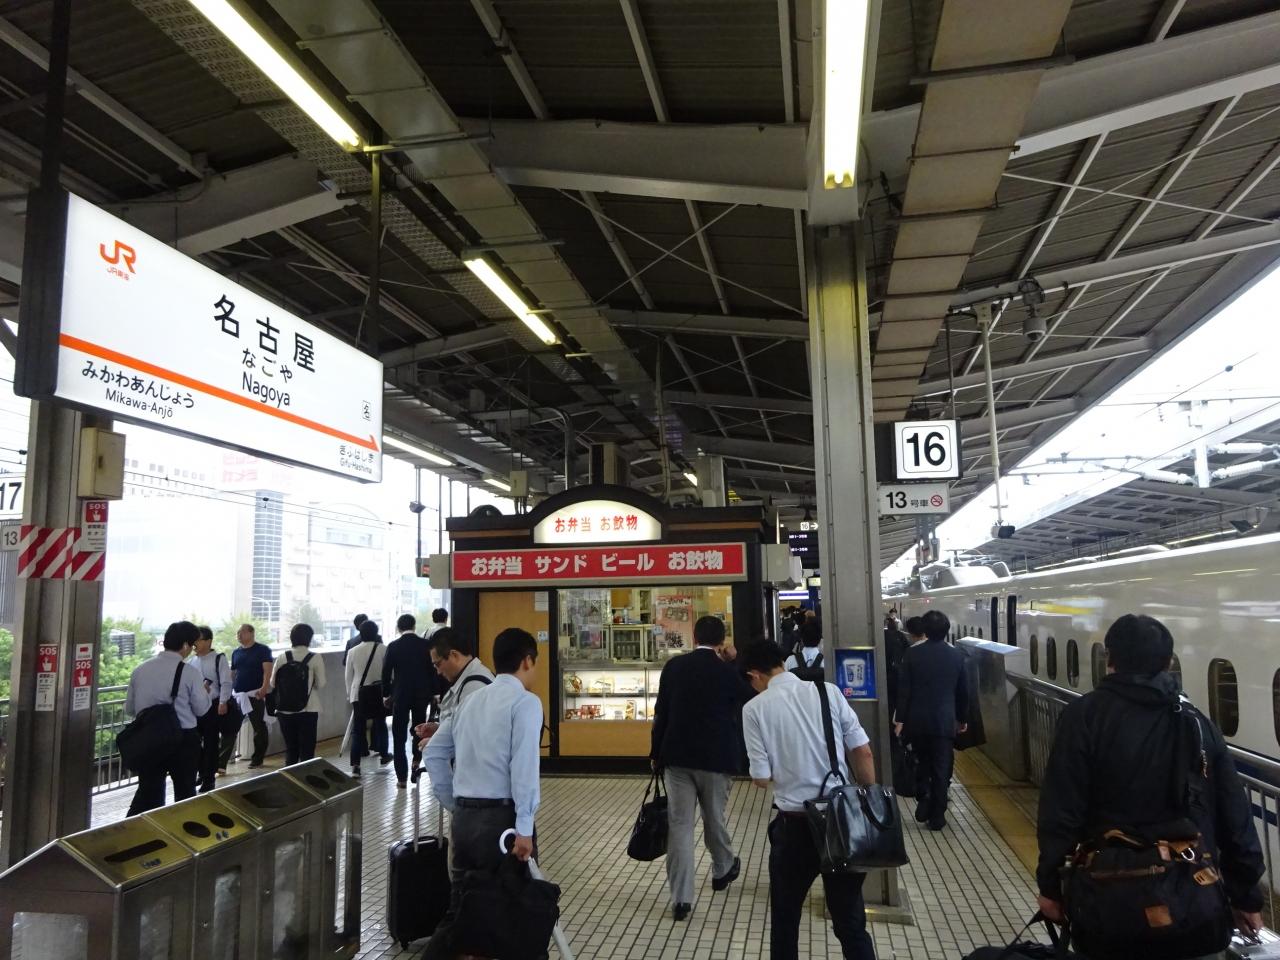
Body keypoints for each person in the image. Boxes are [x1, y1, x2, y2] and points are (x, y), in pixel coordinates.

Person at [1036, 614, 1264, 945]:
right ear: (1168, 662)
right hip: (1192, 902)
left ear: (1109, 659)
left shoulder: (1082, 717)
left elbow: (1061, 811)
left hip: (1106, 903)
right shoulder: (1195, 722)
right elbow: (1235, 818)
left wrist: (1050, 887)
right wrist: (1246, 897)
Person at [740, 640, 877, 960]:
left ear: (754, 675)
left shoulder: (754, 709)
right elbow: (863, 752)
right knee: (850, 922)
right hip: (841, 822)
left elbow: (761, 777)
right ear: (781, 662)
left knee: (785, 921)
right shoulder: (828, 692)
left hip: (795, 828)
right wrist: (867, 800)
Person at [421, 628, 543, 960]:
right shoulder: (525, 703)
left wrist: (454, 802)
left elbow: (434, 753)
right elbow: (524, 767)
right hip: (502, 822)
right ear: (527, 661)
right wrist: (525, 827)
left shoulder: (471, 701)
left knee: (461, 907)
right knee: (512, 907)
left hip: (465, 820)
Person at [650, 615, 748, 921]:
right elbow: (747, 697)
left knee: (680, 826)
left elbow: (661, 712)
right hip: (717, 758)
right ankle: (722, 867)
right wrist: (735, 662)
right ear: (722, 641)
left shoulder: (674, 667)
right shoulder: (726, 671)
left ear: (694, 637)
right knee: (713, 817)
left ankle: (681, 899)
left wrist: (655, 752)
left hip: (677, 757)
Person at [125, 621, 211, 815]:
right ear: (185, 645)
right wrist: (205, 693)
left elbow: (130, 709)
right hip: (183, 739)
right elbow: (201, 709)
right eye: (193, 645)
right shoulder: (190, 672)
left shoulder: (140, 670)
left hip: (149, 739)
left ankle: (141, 829)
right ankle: (183, 829)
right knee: (185, 793)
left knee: (149, 792)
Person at [893, 609, 968, 830]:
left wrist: (900, 720)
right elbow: (962, 692)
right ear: (946, 631)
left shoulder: (912, 654)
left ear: (924, 629)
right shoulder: (957, 656)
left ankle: (924, 795)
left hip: (916, 722)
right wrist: (962, 718)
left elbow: (904, 690)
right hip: (944, 721)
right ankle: (938, 815)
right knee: (942, 768)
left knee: (921, 762)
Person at [414, 627, 493, 745]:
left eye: (438, 664)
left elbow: (471, 740)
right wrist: (439, 729)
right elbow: (460, 726)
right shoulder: (466, 680)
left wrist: (434, 745)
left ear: (454, 655)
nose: (438, 672)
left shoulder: (475, 686)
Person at [382, 613, 435, 788]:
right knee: (419, 730)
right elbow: (432, 670)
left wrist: (386, 694)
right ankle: (416, 763)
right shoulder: (425, 645)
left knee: (398, 736)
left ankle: (401, 778)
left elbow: (386, 672)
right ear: (414, 626)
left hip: (400, 695)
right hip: (421, 695)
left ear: (398, 628)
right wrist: (434, 693)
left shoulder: (393, 646)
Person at [270, 622, 326, 765]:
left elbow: (272, 683)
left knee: (291, 749)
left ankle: (290, 777)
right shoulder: (315, 657)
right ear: (309, 638)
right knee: (307, 750)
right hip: (308, 709)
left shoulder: (283, 657)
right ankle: (306, 777)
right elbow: (321, 684)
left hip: (284, 710)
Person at [345, 619, 390, 775]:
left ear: (361, 633)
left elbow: (348, 676)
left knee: (358, 729)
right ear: (376, 632)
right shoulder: (384, 649)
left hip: (359, 693)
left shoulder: (353, 651)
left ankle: (355, 765)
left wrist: (350, 695)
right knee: (381, 723)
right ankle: (384, 755)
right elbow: (389, 673)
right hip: (378, 692)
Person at [191, 625, 231, 792]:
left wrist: (223, 701)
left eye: (198, 640)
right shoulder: (192, 661)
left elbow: (226, 682)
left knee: (211, 743)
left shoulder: (218, 658)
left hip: (212, 706)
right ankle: (202, 772)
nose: (195, 643)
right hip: (195, 707)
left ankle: (209, 780)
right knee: (194, 743)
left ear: (208, 641)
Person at [230, 623, 273, 769]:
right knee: (231, 726)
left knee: (258, 727)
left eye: (242, 632)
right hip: (238, 695)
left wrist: (264, 688)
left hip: (255, 694)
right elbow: (233, 673)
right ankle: (224, 760)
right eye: (238, 633)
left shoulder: (263, 650)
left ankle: (257, 758)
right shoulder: (236, 652)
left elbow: (267, 671)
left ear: (251, 633)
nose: (239, 635)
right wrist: (229, 691)